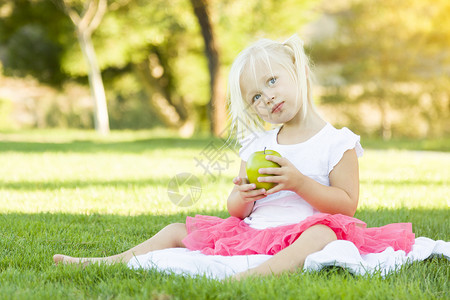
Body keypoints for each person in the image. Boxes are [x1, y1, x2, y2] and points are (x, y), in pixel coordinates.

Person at [53, 34, 415, 279]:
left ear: (299, 72)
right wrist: (243, 195)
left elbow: (346, 206)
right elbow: (237, 211)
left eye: (272, 82)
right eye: (255, 97)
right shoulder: (258, 144)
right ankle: (105, 261)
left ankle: (253, 277)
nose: (267, 98)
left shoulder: (337, 142)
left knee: (323, 235)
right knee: (178, 230)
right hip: (256, 231)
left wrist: (299, 183)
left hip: (305, 231)